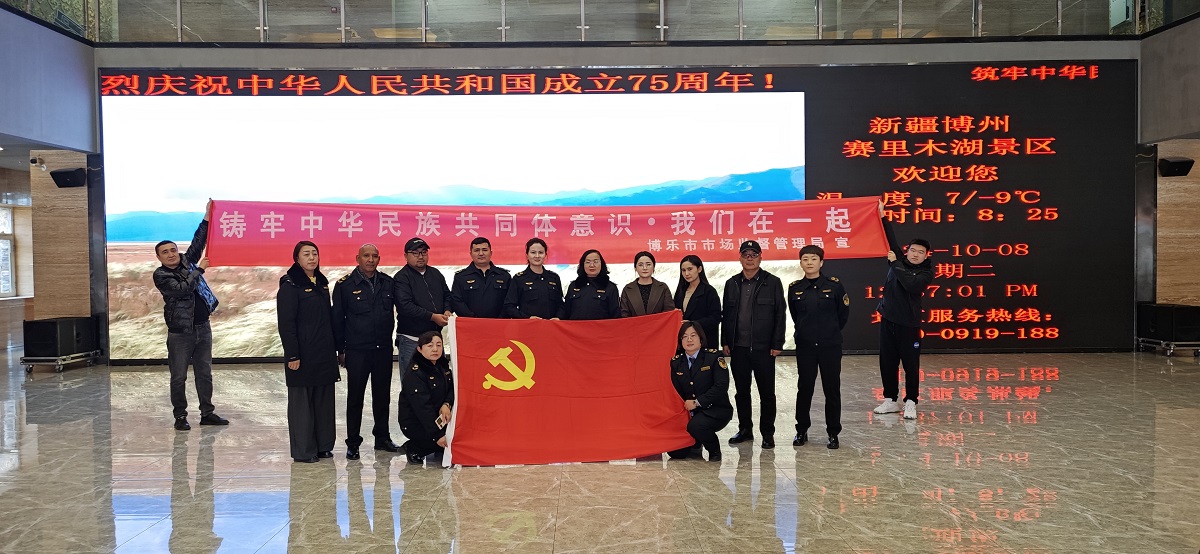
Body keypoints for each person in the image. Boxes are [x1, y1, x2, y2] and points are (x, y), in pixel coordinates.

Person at [153, 199, 228, 431]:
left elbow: (198, 241)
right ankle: (180, 416)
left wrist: (207, 217)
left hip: (203, 328)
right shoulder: (161, 275)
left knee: (204, 373)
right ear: (159, 258)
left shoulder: (187, 262)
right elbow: (182, 289)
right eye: (165, 252)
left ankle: (207, 413)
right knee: (179, 377)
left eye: (173, 250)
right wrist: (200, 270)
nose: (171, 254)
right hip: (180, 333)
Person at [332, 243, 400, 460]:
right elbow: (338, 320)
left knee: (382, 396)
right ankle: (353, 443)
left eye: (374, 256)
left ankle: (382, 438)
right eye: (366, 256)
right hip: (357, 350)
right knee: (355, 398)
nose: (371, 260)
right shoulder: (344, 285)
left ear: (379, 259)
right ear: (357, 258)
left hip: (382, 349)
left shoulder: (388, 282)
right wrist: (340, 350)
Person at [277, 241, 339, 463]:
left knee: (323, 401)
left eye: (314, 253)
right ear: (297, 259)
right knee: (302, 404)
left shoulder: (321, 283)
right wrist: (292, 355)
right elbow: (286, 324)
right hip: (302, 354)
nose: (312, 258)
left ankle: (323, 446)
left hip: (323, 353)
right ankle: (304, 451)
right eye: (306, 254)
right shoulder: (290, 285)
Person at [720, 240, 786, 449]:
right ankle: (745, 430)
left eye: (753, 254)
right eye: (745, 255)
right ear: (740, 258)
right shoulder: (732, 283)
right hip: (738, 348)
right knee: (741, 392)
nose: (749, 258)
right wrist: (725, 341)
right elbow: (726, 315)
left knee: (767, 393)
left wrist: (777, 342)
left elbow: (780, 314)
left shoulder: (772, 282)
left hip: (763, 348)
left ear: (760, 257)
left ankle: (767, 433)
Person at [872, 201, 934, 420]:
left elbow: (910, 284)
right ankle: (890, 400)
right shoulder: (899, 259)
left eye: (920, 252)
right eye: (912, 250)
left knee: (910, 365)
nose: (915, 254)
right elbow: (890, 238)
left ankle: (911, 401)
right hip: (888, 320)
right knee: (887, 362)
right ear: (907, 251)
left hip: (909, 325)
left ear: (926, 256)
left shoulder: (925, 273)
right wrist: (882, 216)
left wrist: (895, 264)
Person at [787, 245, 849, 450]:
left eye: (814, 259)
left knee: (832, 389)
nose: (809, 263)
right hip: (805, 346)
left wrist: (828, 332)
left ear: (821, 262)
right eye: (805, 259)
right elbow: (796, 316)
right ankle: (801, 430)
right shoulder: (795, 288)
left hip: (830, 345)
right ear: (800, 263)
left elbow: (842, 315)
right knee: (805, 388)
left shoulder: (835, 286)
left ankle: (833, 433)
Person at [668, 322, 732, 462]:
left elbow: (721, 386)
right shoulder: (676, 362)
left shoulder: (714, 357)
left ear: (701, 339)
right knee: (676, 452)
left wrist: (698, 402)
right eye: (685, 337)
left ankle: (714, 450)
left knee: (697, 426)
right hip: (690, 412)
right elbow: (676, 391)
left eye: (693, 335)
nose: (689, 339)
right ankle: (696, 442)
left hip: (715, 409)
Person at [393, 237, 451, 375]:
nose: (420, 256)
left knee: (439, 379)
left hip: (435, 338)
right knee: (412, 381)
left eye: (424, 252)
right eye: (415, 253)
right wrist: (433, 317)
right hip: (411, 339)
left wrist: (447, 310)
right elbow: (405, 306)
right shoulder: (401, 278)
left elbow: (447, 295)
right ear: (406, 256)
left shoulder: (435, 274)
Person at [397, 331, 454, 465]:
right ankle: (414, 448)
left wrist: (447, 404)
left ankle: (435, 442)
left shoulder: (442, 365)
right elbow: (423, 408)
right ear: (419, 349)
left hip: (437, 416)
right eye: (430, 345)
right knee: (445, 441)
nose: (435, 349)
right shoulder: (415, 373)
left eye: (439, 345)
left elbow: (452, 389)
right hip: (417, 421)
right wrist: (438, 435)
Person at [449, 237, 511, 318]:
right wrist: (474, 320)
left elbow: (510, 301)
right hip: (470, 323)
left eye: (485, 250)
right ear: (471, 254)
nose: (481, 253)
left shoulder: (504, 276)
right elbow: (457, 302)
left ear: (491, 253)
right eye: (477, 250)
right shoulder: (461, 277)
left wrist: (499, 320)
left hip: (500, 323)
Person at [504, 238, 564, 320]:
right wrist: (527, 318)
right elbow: (509, 306)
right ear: (527, 255)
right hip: (528, 325)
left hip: (551, 326)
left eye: (541, 252)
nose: (537, 256)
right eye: (533, 252)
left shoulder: (554, 278)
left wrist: (558, 317)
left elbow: (561, 305)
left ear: (545, 255)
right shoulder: (519, 279)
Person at [673, 255, 721, 351]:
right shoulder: (680, 291)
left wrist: (693, 324)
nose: (686, 273)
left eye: (690, 269)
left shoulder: (709, 291)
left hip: (704, 341)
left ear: (699, 269)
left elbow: (715, 318)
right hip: (684, 343)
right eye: (683, 270)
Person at [559, 249, 620, 320]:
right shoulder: (574, 285)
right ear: (583, 265)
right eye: (588, 262)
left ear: (602, 264)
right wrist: (558, 318)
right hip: (576, 327)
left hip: (601, 327)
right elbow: (566, 310)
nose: (592, 265)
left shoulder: (610, 287)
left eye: (595, 262)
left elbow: (615, 315)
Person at [620, 251, 675, 317]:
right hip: (634, 323)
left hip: (659, 323)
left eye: (648, 264)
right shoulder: (627, 289)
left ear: (653, 267)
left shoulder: (663, 287)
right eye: (640, 265)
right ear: (635, 268)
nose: (645, 268)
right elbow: (624, 314)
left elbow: (669, 311)